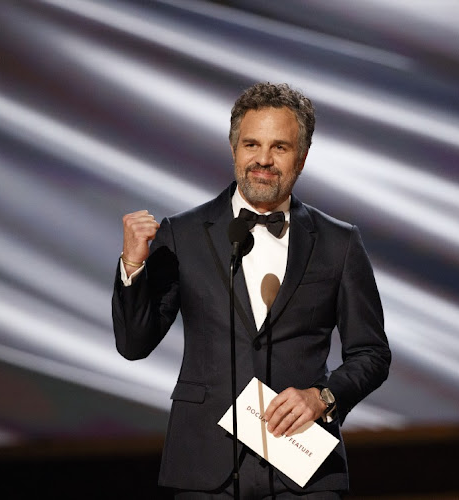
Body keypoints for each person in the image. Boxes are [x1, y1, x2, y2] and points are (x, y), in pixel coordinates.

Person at [112, 82, 390, 498]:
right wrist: (133, 265)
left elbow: (372, 353)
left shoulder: (339, 243)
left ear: (303, 156)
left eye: (279, 147)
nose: (263, 159)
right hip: (206, 467)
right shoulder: (183, 234)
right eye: (251, 144)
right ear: (233, 148)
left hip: (304, 470)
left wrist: (323, 397)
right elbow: (134, 344)